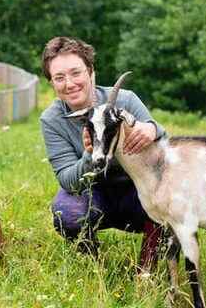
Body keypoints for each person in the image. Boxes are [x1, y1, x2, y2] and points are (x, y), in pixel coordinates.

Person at [40, 36, 166, 272]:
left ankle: (148, 271)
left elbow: (166, 154)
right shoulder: (52, 120)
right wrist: (90, 153)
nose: (69, 83)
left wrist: (152, 129)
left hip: (136, 192)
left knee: (168, 199)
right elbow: (67, 179)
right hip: (93, 193)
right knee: (66, 212)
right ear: (52, 83)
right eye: (59, 78)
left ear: (90, 72)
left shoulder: (126, 100)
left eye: (76, 73)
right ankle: (94, 269)